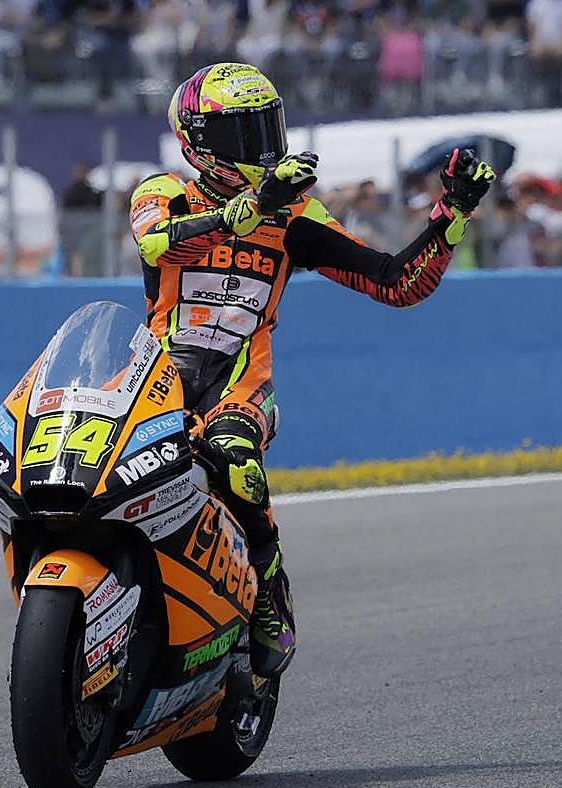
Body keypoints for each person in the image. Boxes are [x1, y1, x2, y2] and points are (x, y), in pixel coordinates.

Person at [127, 62, 495, 677]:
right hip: (156, 374)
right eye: (244, 136)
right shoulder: (161, 191)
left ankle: (270, 592)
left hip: (241, 384)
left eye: (267, 129)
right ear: (199, 142)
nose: (263, 149)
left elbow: (397, 283)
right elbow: (157, 245)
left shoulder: (296, 215)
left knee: (235, 458)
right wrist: (248, 208)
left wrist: (450, 214)